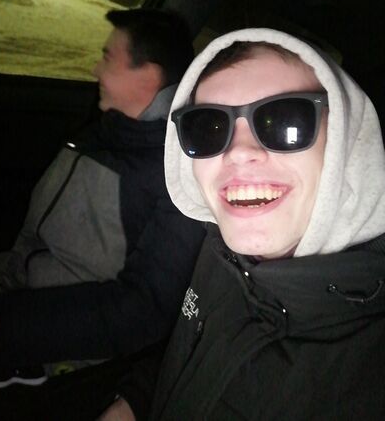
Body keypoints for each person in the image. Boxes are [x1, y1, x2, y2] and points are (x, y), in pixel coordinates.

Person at [101, 27, 385, 420]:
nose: (238, 152)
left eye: (284, 120)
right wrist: (136, 399)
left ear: (346, 143)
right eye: (208, 127)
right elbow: (200, 350)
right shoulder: (218, 249)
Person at [0, 8, 205, 387]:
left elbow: (142, 310)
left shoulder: (175, 179)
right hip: (5, 289)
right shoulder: (103, 131)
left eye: (107, 58)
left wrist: (2, 322)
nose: (94, 70)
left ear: (147, 78)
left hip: (50, 357)